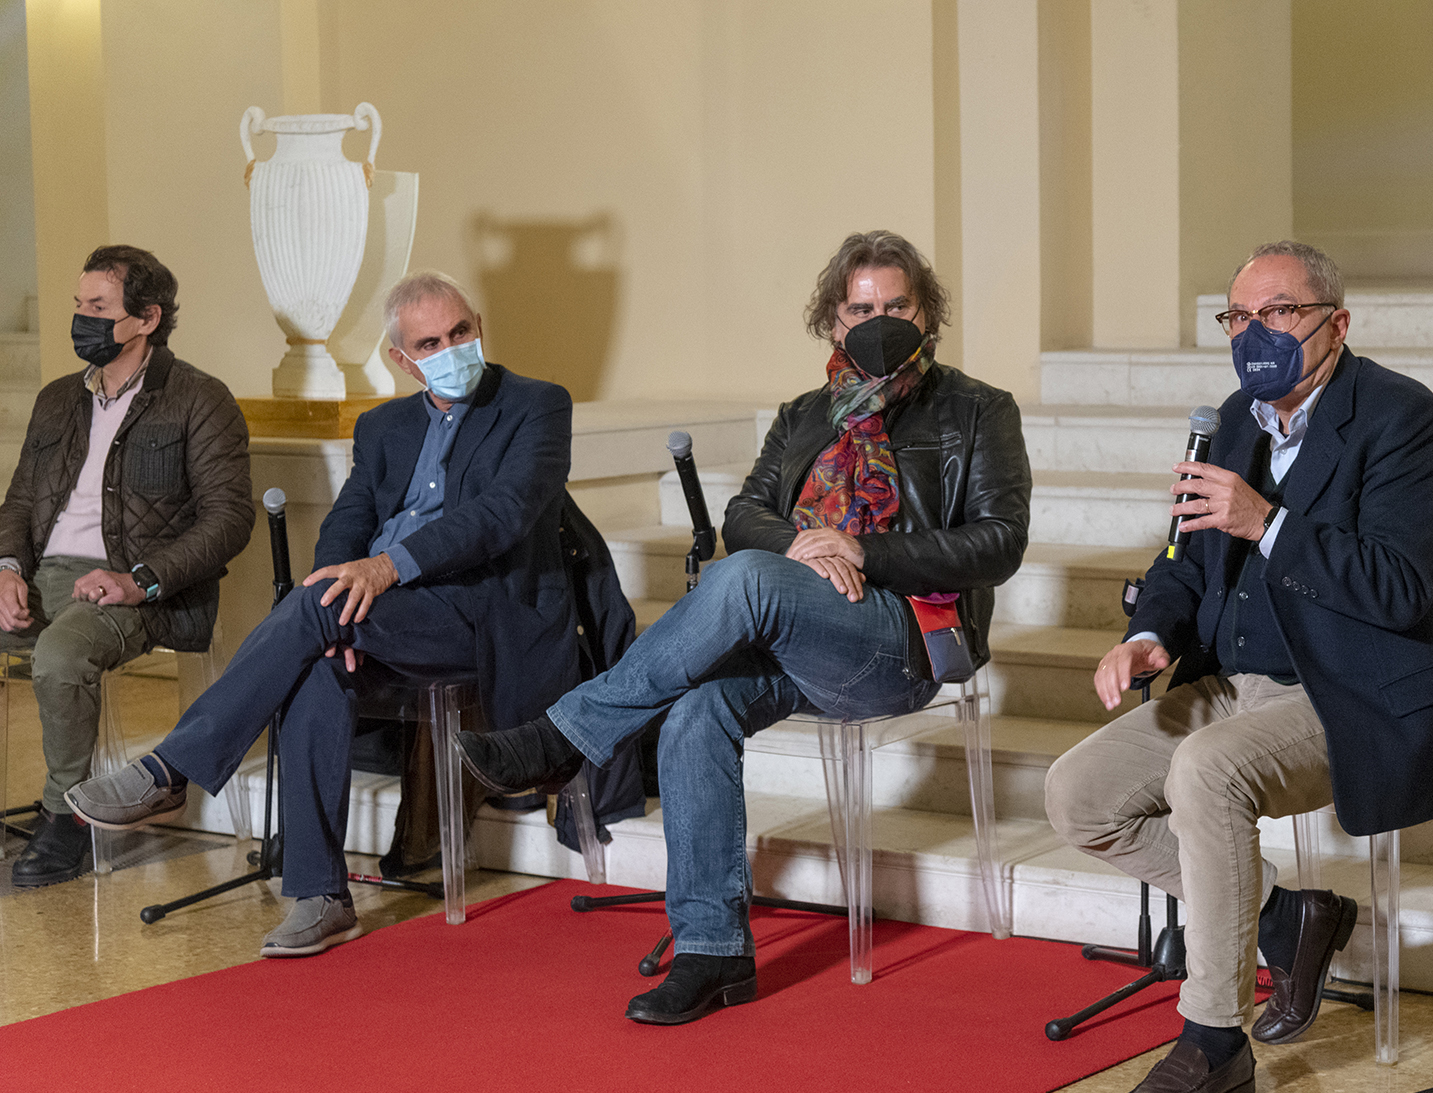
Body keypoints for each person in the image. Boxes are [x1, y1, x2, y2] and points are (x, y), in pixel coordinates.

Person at [457, 229, 1032, 1025]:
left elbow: (998, 542)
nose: (878, 322)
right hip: (800, 635)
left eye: (896, 306)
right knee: (698, 708)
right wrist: (806, 547)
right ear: (833, 320)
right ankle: (712, 952)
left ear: (925, 313)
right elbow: (743, 514)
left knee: (745, 578)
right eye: (860, 308)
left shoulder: (977, 410)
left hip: (903, 641)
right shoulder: (804, 415)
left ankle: (565, 737)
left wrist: (861, 549)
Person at [1045, 241, 1433, 1093]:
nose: (1256, 334)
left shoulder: (1403, 419)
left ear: (1336, 322)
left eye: (1279, 312)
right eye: (1239, 317)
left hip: (1350, 690)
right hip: (1232, 681)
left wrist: (1267, 523)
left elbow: (1400, 588)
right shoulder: (1232, 421)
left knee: (1207, 770)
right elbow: (1180, 560)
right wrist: (1146, 637)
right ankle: (1285, 917)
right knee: (1078, 794)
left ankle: (1213, 1040)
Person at [67, 270, 608, 957]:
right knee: (316, 666)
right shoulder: (384, 426)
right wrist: (342, 590)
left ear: (478, 328)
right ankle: (321, 896)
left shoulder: (536, 405)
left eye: (461, 332)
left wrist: (383, 571)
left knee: (315, 613)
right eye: (430, 343)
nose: (452, 349)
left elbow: (502, 515)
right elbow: (347, 523)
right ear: (402, 359)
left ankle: (170, 771)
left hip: (486, 616)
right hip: (383, 614)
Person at [0, 246, 252, 888]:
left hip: (137, 589)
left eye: (98, 307)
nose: (81, 318)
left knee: (60, 654)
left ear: (147, 317)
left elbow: (229, 519)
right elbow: (20, 501)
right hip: (42, 572)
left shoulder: (200, 398)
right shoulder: (57, 398)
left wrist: (139, 580)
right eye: (79, 305)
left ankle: (65, 817)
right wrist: (6, 567)